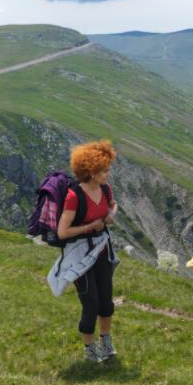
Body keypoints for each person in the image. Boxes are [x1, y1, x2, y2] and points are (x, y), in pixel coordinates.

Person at [57, 140, 119, 362]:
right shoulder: (74, 197)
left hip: (102, 252)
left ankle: (106, 341)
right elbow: (62, 232)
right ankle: (89, 348)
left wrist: (112, 214)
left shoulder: (104, 189)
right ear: (91, 172)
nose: (108, 174)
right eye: (104, 170)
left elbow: (113, 205)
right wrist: (90, 227)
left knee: (106, 300)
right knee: (90, 302)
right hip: (80, 256)